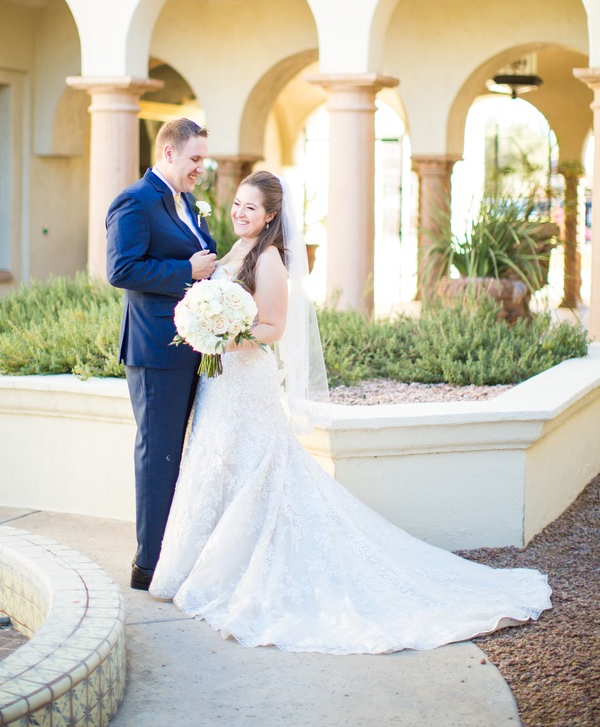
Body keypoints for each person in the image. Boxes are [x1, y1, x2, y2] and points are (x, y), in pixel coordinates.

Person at [149, 171, 552, 654]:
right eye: (237, 203)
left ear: (272, 216)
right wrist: (204, 325)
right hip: (222, 382)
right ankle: (203, 563)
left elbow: (273, 327)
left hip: (245, 378)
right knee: (218, 462)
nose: (240, 213)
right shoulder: (233, 252)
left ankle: (246, 567)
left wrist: (222, 338)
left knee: (255, 466)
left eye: (251, 209)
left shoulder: (271, 259)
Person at [106, 118, 217, 591]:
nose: (200, 168)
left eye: (203, 160)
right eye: (194, 159)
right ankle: (148, 565)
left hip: (193, 345)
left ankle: (175, 553)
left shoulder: (188, 203)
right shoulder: (134, 201)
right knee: (159, 455)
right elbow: (121, 268)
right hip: (155, 350)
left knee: (182, 453)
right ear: (169, 153)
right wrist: (186, 271)